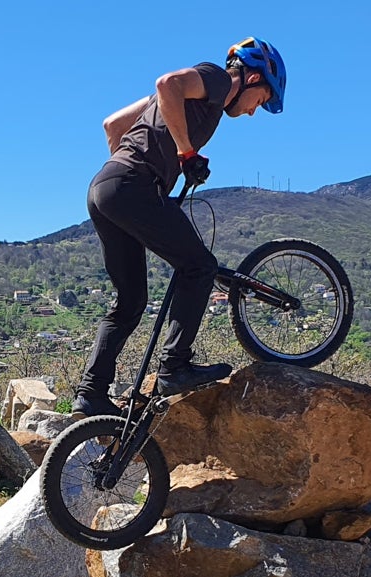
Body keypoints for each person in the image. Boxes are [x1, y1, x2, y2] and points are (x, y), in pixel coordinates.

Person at [71, 37, 287, 418]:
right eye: (262, 100)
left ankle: (91, 394)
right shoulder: (219, 81)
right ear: (252, 78)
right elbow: (166, 83)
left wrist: (138, 166)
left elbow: (114, 125)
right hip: (130, 185)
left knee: (130, 302)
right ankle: (175, 366)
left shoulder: (195, 101)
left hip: (105, 188)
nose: (255, 112)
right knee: (199, 266)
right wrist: (184, 154)